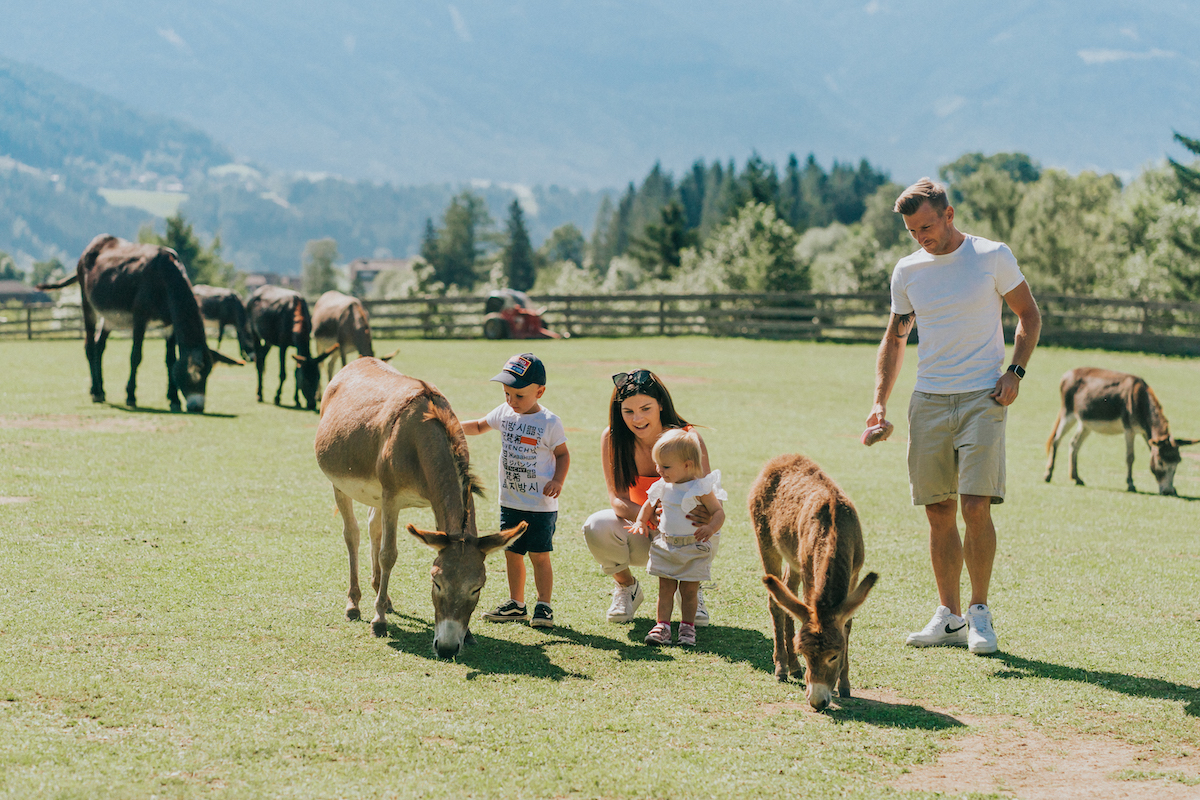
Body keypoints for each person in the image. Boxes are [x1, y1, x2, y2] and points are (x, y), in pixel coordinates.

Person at [867, 177, 1041, 655]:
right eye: (911, 230)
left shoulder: (991, 256)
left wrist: (1016, 372)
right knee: (938, 512)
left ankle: (980, 612)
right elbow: (896, 337)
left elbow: (1029, 315)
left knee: (975, 507)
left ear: (948, 214)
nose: (920, 236)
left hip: (983, 399)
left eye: (926, 225)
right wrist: (879, 401)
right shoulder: (907, 271)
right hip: (928, 401)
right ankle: (949, 617)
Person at [582, 369, 714, 625]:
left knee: (707, 526)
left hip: (683, 533)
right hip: (645, 529)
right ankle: (627, 588)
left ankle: (691, 590)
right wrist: (649, 516)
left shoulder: (687, 438)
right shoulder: (612, 437)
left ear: (661, 405)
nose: (637, 419)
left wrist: (694, 514)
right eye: (628, 411)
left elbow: (707, 493)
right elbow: (617, 499)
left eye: (645, 408)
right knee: (596, 525)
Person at [461, 353, 570, 629]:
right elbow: (477, 426)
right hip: (510, 502)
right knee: (512, 554)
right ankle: (516, 604)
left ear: (540, 391)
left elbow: (563, 455)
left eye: (519, 395)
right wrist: (449, 426)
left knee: (539, 556)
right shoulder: (504, 412)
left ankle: (543, 606)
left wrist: (558, 480)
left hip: (540, 506)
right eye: (507, 393)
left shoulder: (549, 422)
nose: (511, 400)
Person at [627, 428, 726, 647]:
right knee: (665, 590)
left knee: (689, 591)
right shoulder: (663, 486)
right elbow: (648, 505)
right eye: (657, 465)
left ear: (687, 465)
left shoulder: (700, 487)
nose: (659, 470)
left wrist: (710, 527)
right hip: (667, 545)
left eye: (666, 466)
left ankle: (687, 627)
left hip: (693, 547)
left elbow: (718, 512)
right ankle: (662, 626)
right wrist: (641, 521)